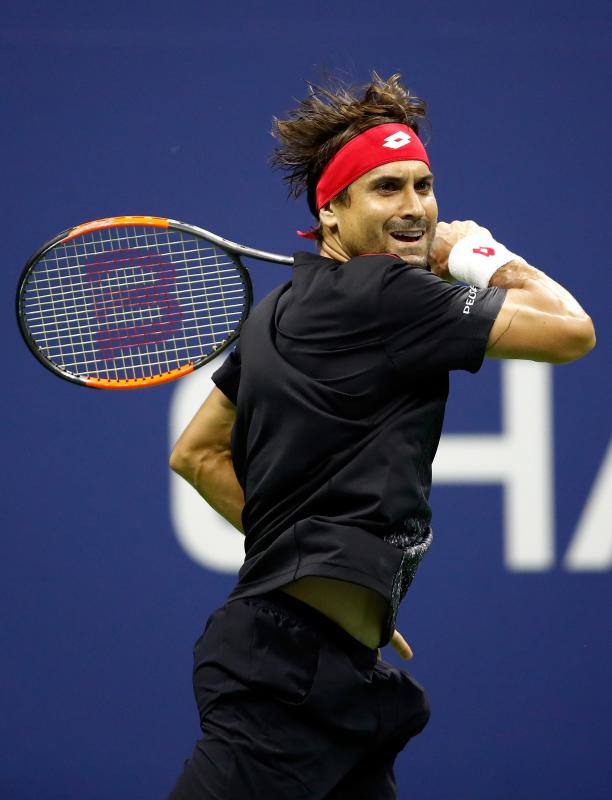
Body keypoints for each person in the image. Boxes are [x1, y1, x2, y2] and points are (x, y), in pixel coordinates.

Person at [168, 73, 595, 799]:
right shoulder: (389, 295)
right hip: (284, 676)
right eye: (387, 188)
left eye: (424, 186)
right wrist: (481, 256)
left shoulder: (279, 310)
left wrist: (320, 571)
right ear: (330, 210)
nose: (416, 207)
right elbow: (571, 332)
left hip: (329, 664)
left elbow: (198, 452)